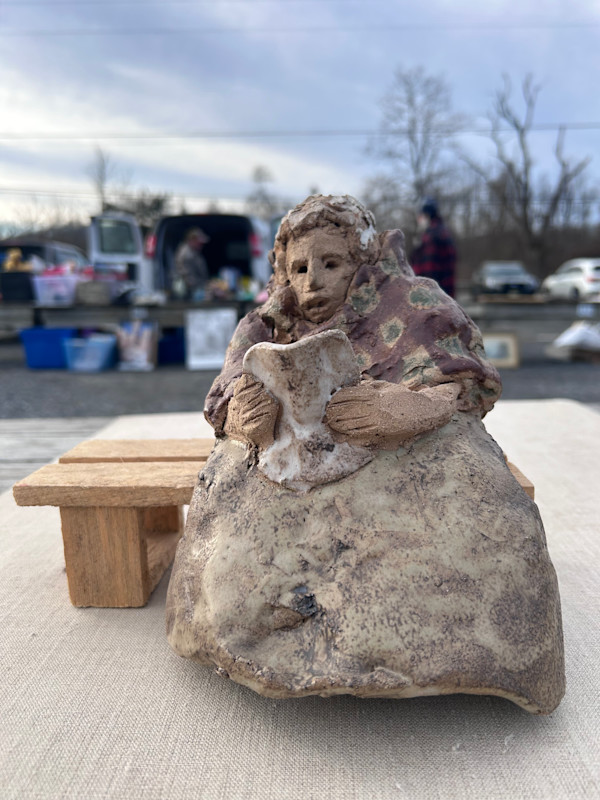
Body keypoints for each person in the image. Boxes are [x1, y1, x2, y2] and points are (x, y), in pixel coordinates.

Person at [167, 195, 564, 711]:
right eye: (300, 268)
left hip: (408, 461)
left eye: (331, 264)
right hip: (286, 466)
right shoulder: (263, 326)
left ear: (363, 262)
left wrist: (413, 409)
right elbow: (227, 392)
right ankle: (269, 639)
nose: (312, 282)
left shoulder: (414, 303)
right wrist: (242, 415)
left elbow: (460, 377)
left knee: (483, 531)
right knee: (233, 565)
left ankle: (453, 654)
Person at [410, 198, 456, 297]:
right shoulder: (442, 231)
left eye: (420, 215)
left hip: (434, 296)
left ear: (426, 215)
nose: (418, 219)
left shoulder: (431, 236)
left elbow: (429, 272)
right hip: (446, 294)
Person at [173, 228, 209, 300]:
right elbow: (187, 276)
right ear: (192, 240)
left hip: (195, 287)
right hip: (190, 291)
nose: (201, 245)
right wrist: (204, 286)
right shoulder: (186, 254)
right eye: (199, 242)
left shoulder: (194, 252)